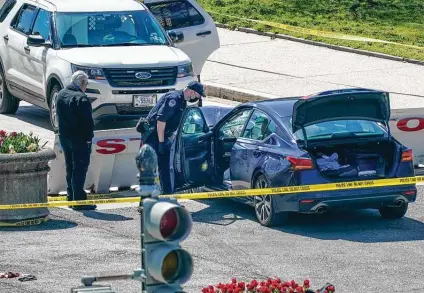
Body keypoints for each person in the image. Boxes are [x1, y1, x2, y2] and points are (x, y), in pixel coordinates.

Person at [136, 81, 206, 194]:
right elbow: (161, 121)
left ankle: (167, 196)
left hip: (163, 136)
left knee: (165, 169)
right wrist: (161, 142)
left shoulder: (182, 101)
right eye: (197, 96)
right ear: (192, 91)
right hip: (154, 136)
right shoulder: (174, 99)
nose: (196, 98)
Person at [56, 70, 96, 210]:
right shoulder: (82, 99)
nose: (86, 86)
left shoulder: (61, 94)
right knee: (80, 169)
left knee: (70, 167)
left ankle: (71, 195)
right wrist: (88, 139)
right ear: (82, 83)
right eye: (86, 84)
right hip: (79, 139)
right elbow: (87, 123)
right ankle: (79, 200)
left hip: (65, 137)